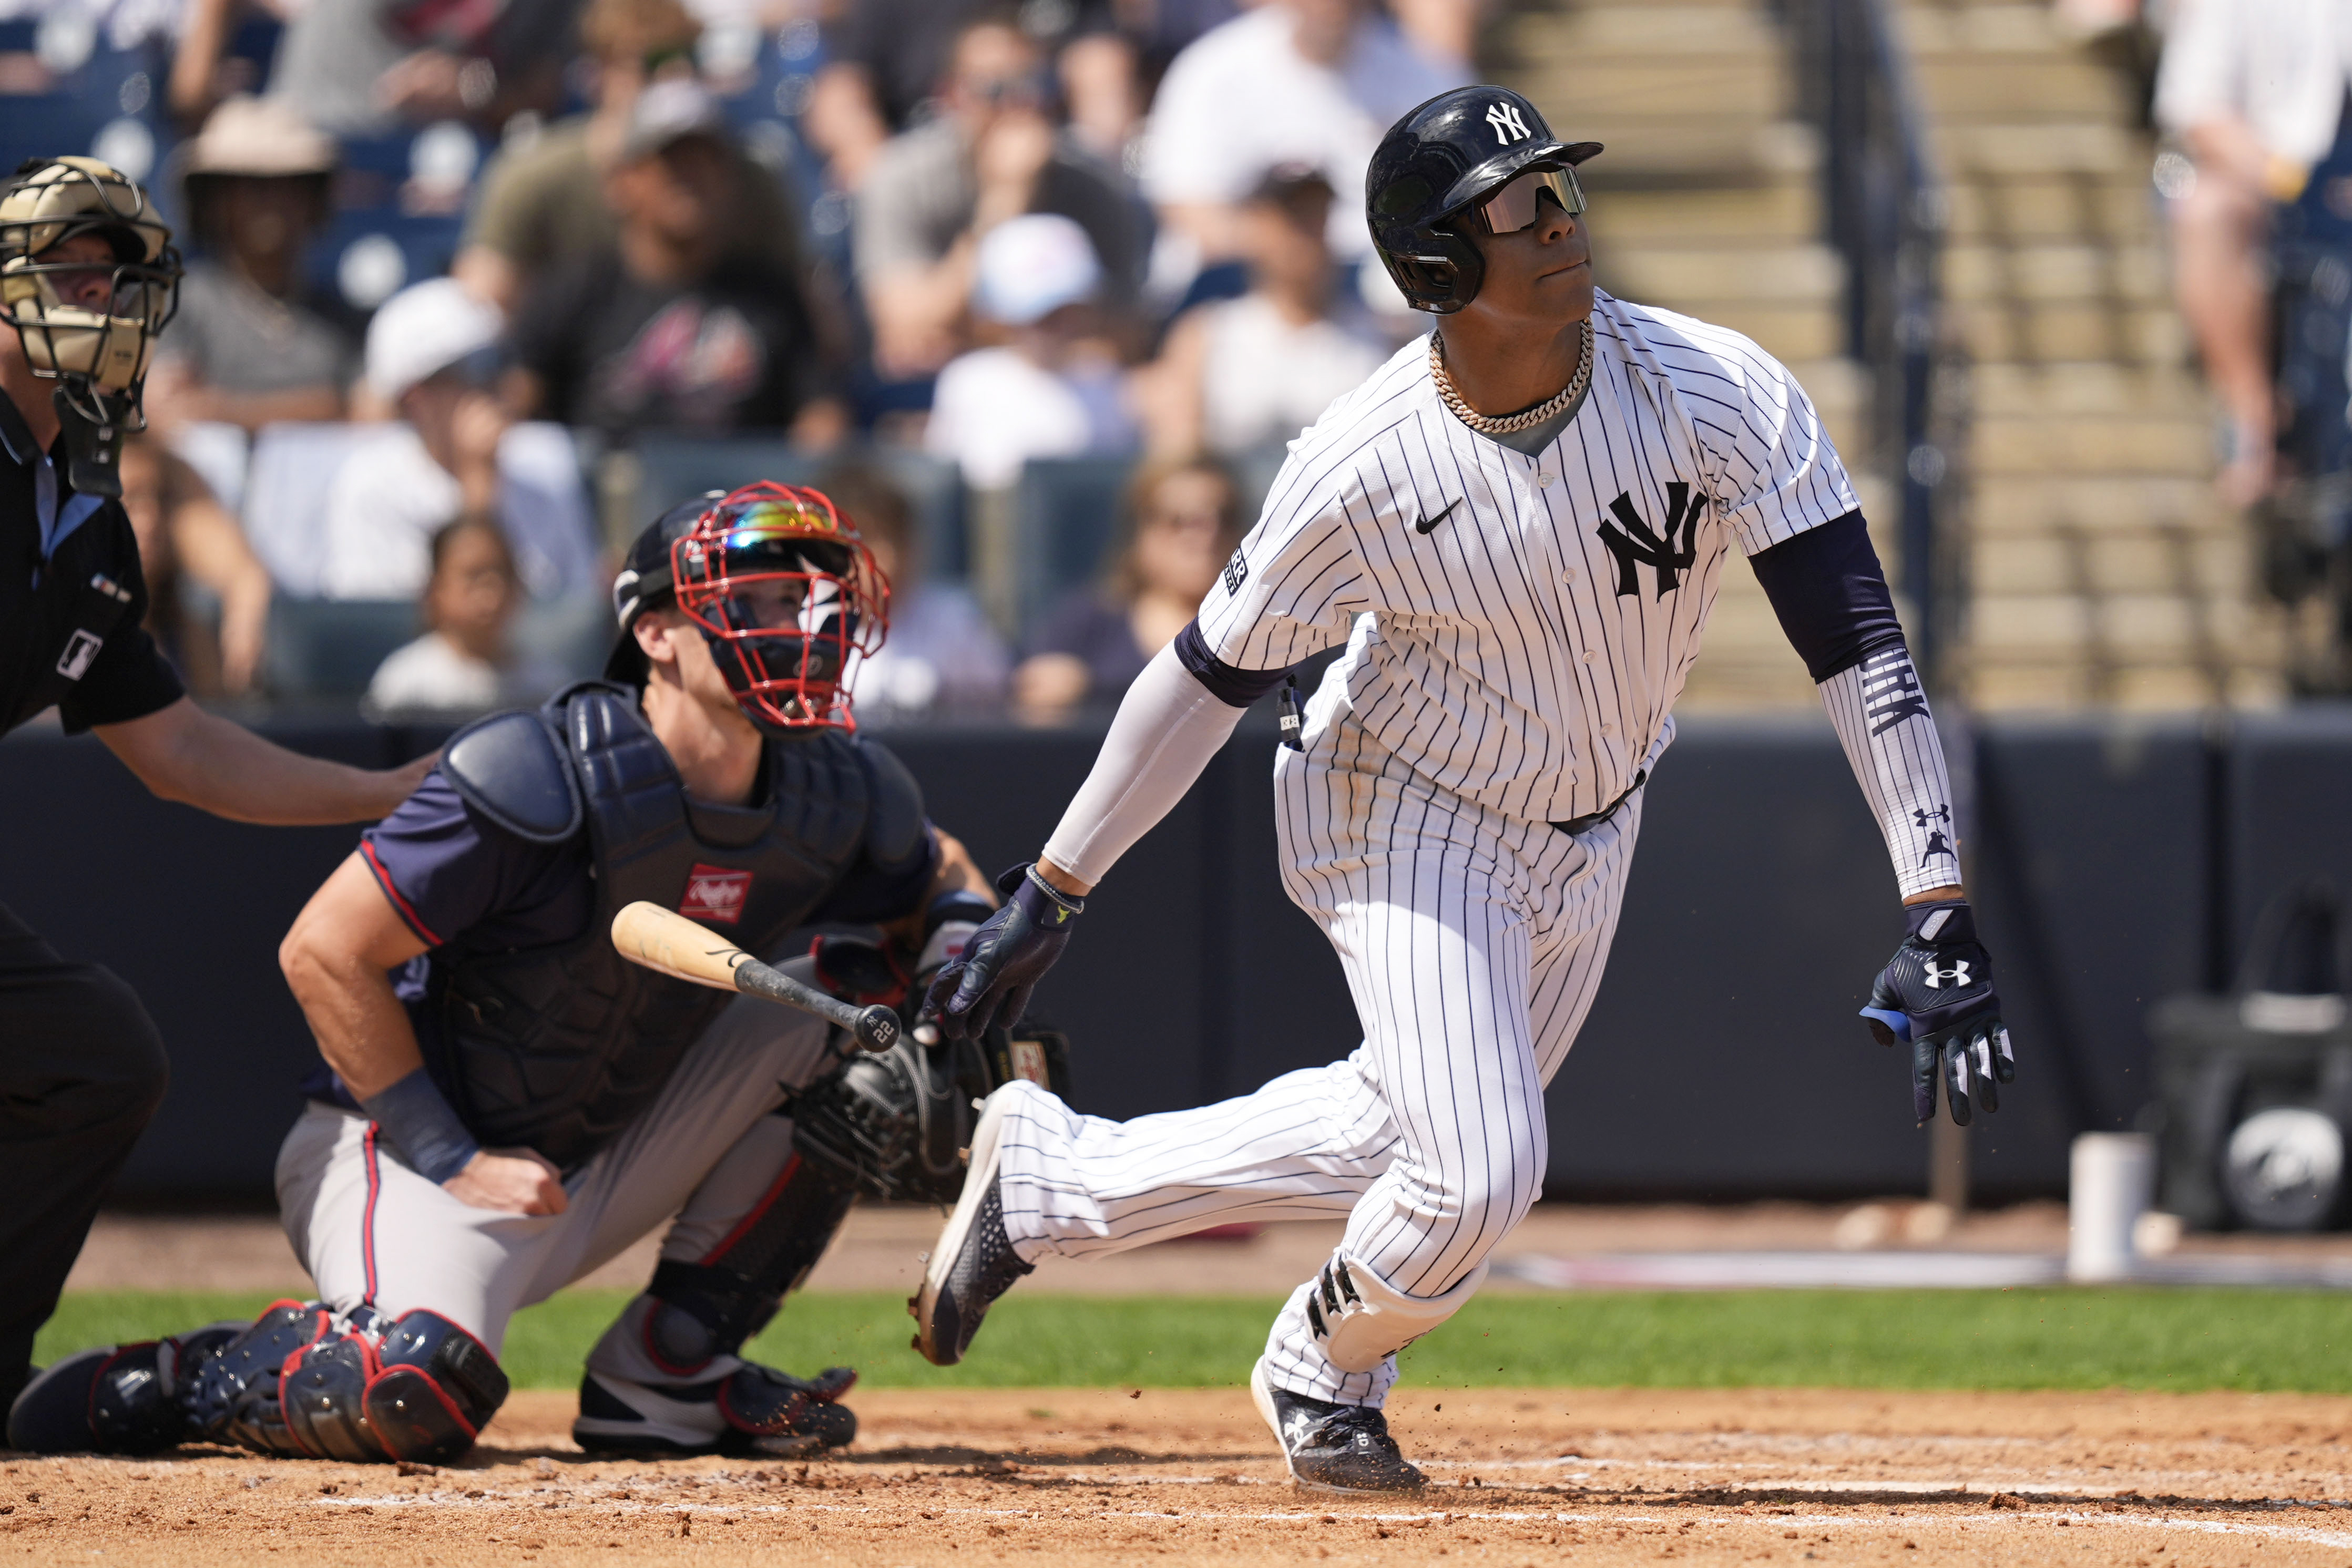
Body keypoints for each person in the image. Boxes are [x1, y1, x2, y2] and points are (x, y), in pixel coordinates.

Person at [906, 88, 2017, 1493]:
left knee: (1403, 1125)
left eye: (1562, 192)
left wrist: (1936, 893)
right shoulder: (1358, 461)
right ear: (1434, 262)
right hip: (1394, 798)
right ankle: (1323, 1359)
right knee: (1483, 1166)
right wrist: (1051, 887)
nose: (1559, 222)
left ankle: (1051, 1181)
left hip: (1593, 811)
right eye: (1517, 204)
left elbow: (1856, 639)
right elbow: (1198, 678)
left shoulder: (1714, 386)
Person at [10, 482, 1006, 1464]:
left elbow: (943, 873)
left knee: (863, 1001)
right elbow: (322, 950)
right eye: (753, 603)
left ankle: (666, 1371)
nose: (791, 628)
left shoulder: (841, 785)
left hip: (600, 1153)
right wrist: (448, 1152)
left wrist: (953, 974)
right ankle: (184, 1377)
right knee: (412, 1390)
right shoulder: (537, 769)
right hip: (408, 1153)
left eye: (799, 603)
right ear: (656, 633)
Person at [0, 156, 431, 1417]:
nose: (100, 293)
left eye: (119, 272)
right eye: (68, 266)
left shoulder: (82, 505)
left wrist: (386, 789)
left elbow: (179, 749)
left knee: (93, 1052)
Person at [507, 80, 845, 445]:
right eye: (671, 161)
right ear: (624, 182)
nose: (690, 177)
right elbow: (518, 406)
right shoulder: (575, 291)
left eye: (705, 160)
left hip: (742, 498)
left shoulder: (773, 299)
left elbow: (820, 420)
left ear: (730, 178)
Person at [452, 0, 807, 316]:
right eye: (655, 64)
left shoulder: (743, 176)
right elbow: (480, 313)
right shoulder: (534, 178)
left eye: (691, 59)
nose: (676, 78)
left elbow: (814, 323)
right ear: (598, 75)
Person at [853, 12, 1148, 380]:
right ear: (951, 97)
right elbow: (905, 333)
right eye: (994, 91)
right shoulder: (902, 178)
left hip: (1064, 390)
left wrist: (971, 335)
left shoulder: (1094, 185)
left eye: (1033, 84)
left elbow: (1128, 338)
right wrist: (1005, 201)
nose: (1017, 104)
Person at [321, 278, 598, 604]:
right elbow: (390, 628)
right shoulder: (369, 485)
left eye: (499, 359)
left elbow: (580, 610)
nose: (495, 382)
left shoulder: (547, 460)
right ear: (416, 398)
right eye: (475, 367)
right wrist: (478, 497)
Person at [1139, 0, 1464, 275]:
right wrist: (1299, 257)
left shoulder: (1426, 79)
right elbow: (1186, 205)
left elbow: (1461, 202)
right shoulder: (1215, 71)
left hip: (1388, 283)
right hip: (1247, 285)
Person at [1134, 165, 1393, 459]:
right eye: (1293, 217)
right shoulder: (1206, 336)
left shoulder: (1376, 338)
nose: (1307, 232)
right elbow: (1178, 461)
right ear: (1255, 225)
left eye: (1318, 215)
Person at [144, 96, 356, 433]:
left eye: (289, 185)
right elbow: (167, 414)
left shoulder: (341, 318)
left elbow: (368, 415)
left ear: (313, 201)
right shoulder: (178, 303)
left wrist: (224, 409)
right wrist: (319, 408)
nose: (270, 203)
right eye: (251, 186)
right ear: (214, 202)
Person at [923, 214, 1138, 491]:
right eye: (1041, 316)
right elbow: (946, 483)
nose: (1061, 327)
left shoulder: (1109, 383)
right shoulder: (970, 382)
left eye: (1070, 310)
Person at [1012, 455, 1240, 715]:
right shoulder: (1086, 625)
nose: (1207, 536)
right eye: (1181, 520)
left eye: (1224, 517)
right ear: (1142, 532)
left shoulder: (1267, 629)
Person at [823, 463, 1008, 716]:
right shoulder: (799, 624)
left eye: (899, 538)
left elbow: (1003, 707)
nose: (889, 560)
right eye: (867, 540)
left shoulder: (956, 621)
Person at [118, 432, 273, 699]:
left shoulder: (191, 641)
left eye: (159, 499)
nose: (149, 520)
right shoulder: (73, 642)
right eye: (129, 502)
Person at [363, 516, 567, 718]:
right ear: (437, 589)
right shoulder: (406, 684)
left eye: (502, 573)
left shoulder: (546, 685)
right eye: (474, 575)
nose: (491, 590)